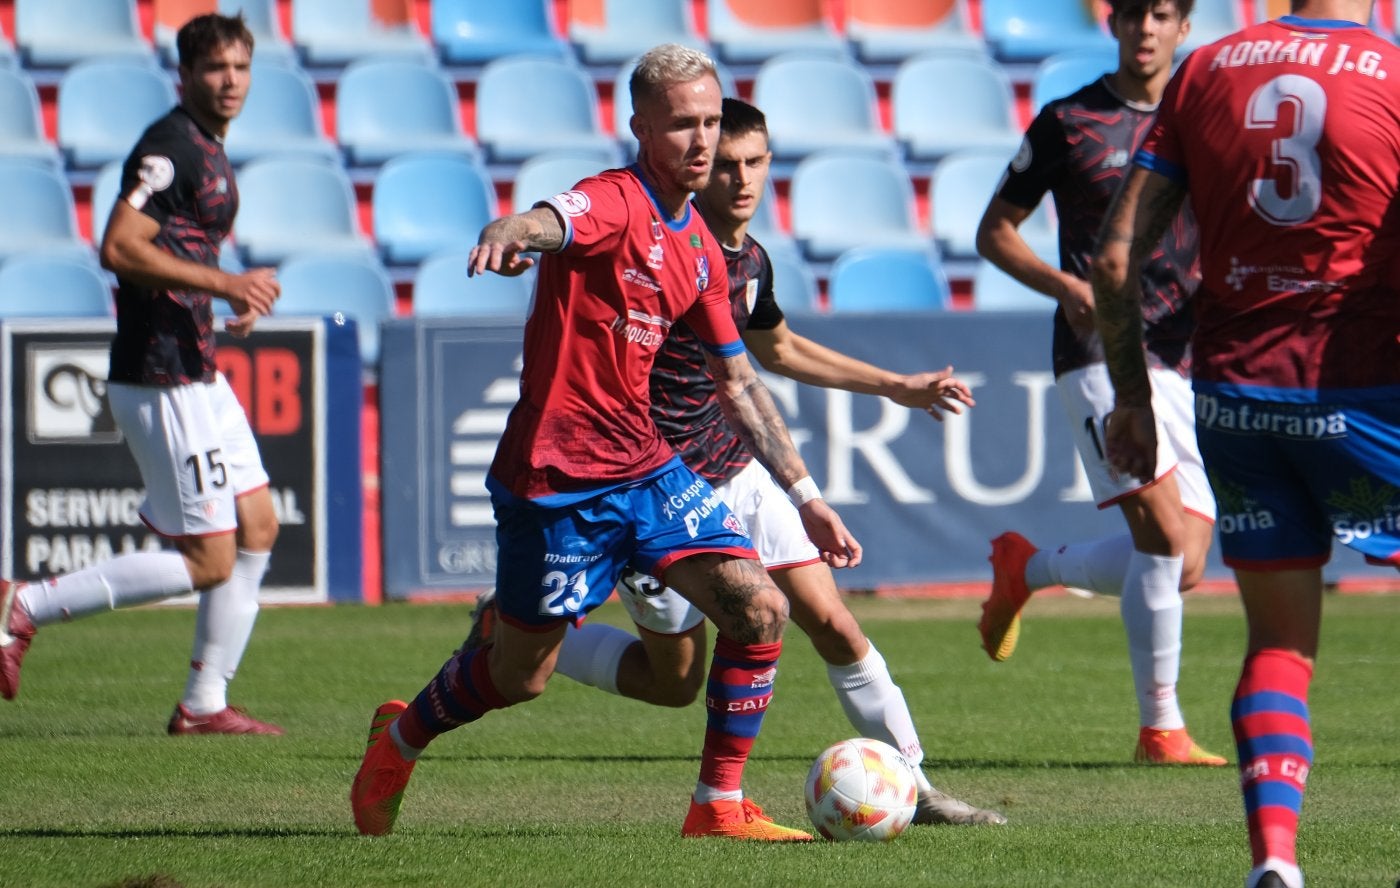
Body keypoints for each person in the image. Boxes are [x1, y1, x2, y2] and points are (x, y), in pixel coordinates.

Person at [349, 44, 863, 842]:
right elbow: (552, 220)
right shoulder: (615, 202)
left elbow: (740, 383)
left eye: (710, 122)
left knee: (760, 608)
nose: (701, 141)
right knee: (522, 678)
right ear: (640, 129)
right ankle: (402, 738)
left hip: (649, 466)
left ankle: (716, 806)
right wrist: (512, 228)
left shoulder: (700, 248)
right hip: (557, 479)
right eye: (681, 125)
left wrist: (808, 498)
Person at [460, 98, 1005, 827]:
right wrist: (520, 231)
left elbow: (772, 350)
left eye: (754, 162)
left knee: (833, 623)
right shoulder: (655, 248)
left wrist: (894, 388)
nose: (741, 179)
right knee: (672, 683)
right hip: (650, 488)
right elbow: (566, 240)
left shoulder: (747, 260)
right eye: (726, 165)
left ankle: (914, 782)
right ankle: (515, 627)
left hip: (732, 470)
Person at [1092, 3, 1400, 886]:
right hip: (1365, 387)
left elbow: (1114, 261)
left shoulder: (1207, 69)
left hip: (1236, 400)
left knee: (1279, 642)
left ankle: (1275, 860)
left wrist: (1132, 398)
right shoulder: (1391, 72)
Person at [0, 14, 282, 735]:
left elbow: (183, 248)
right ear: (185, 75)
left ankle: (204, 703)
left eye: (241, 68)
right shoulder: (168, 148)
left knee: (258, 524)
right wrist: (225, 287)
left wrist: (230, 300)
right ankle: (21, 606)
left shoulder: (209, 149)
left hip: (198, 368)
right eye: (216, 69)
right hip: (161, 378)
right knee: (210, 560)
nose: (230, 82)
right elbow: (120, 247)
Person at [974, 0, 1226, 767]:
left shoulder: (1208, 121)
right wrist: (1066, 288)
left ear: (1184, 26)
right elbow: (994, 233)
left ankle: (1029, 566)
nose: (1144, 29)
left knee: (1182, 562)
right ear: (1111, 24)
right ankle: (1162, 730)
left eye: (1161, 14)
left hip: (1183, 354)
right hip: (1097, 354)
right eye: (1131, 14)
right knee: (1160, 537)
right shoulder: (1068, 120)